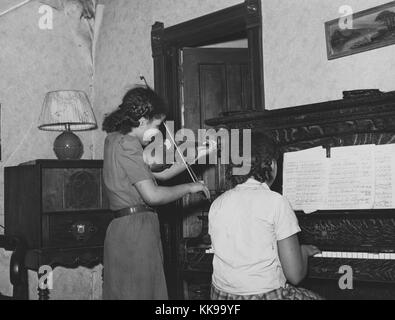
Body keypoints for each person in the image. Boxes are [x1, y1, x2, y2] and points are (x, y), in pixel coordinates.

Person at [101, 86, 210, 300]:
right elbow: (152, 195)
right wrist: (189, 187)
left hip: (122, 230)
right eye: (157, 125)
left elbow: (159, 174)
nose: (159, 132)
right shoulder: (129, 144)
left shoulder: (114, 140)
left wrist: (195, 156)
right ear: (142, 121)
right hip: (136, 231)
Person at [208, 132, 323, 300]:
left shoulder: (217, 203)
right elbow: (295, 276)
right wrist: (302, 251)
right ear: (272, 165)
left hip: (221, 296)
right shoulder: (276, 202)